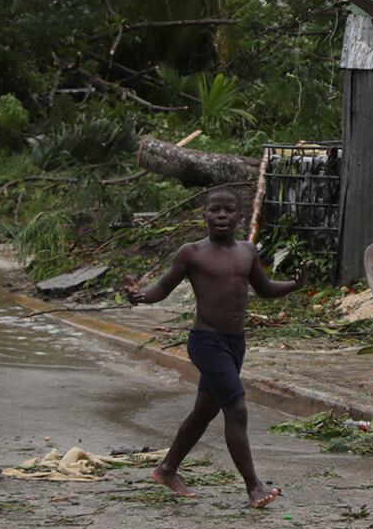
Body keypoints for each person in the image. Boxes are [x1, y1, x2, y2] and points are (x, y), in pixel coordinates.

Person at [122, 186, 301, 507]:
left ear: (240, 216)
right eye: (214, 210)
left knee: (204, 411)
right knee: (236, 408)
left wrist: (295, 284)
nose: (221, 215)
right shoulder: (192, 253)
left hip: (235, 344)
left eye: (228, 210)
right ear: (204, 215)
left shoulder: (247, 252)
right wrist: (140, 295)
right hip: (206, 342)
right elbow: (162, 287)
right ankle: (254, 487)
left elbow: (265, 289)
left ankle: (166, 469)